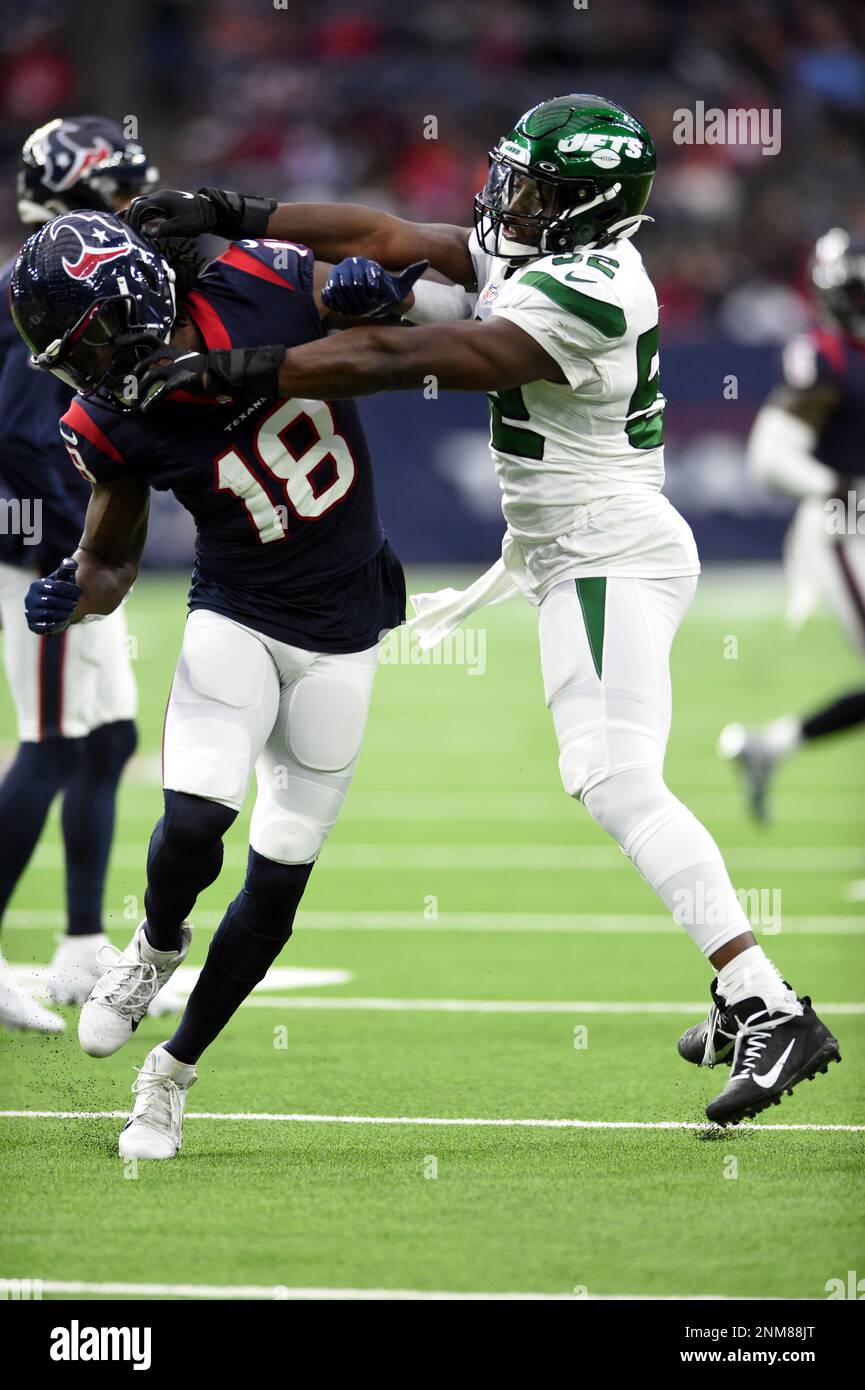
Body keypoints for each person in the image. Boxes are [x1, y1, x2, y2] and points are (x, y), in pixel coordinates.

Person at [123, 94, 841, 1126]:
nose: (511, 199)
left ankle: (766, 1002)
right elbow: (384, 235)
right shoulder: (548, 251)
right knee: (607, 774)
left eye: (539, 188)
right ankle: (746, 995)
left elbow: (399, 360)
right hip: (572, 549)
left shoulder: (598, 289)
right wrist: (233, 207)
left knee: (610, 776)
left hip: (605, 548)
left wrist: (231, 368)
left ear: (593, 207)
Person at [10, 199, 408, 1157]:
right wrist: (76, 588)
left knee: (278, 880)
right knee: (194, 819)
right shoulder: (109, 416)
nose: (88, 369)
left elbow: (397, 314)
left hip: (345, 626)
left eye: (91, 343)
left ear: (135, 298)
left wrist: (373, 292)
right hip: (236, 607)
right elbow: (110, 559)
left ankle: (172, 1073)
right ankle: (152, 944)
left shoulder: (258, 286)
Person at [0, 117, 160, 1033]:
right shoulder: (46, 281)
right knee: (54, 740)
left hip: (58, 542)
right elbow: (20, 433)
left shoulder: (62, 268)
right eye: (121, 191)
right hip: (39, 552)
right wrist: (80, 548)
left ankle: (79, 945)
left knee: (106, 738)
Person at [719, 228, 865, 822]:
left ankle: (769, 746)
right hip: (844, 528)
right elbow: (770, 457)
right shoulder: (826, 358)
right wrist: (834, 485)